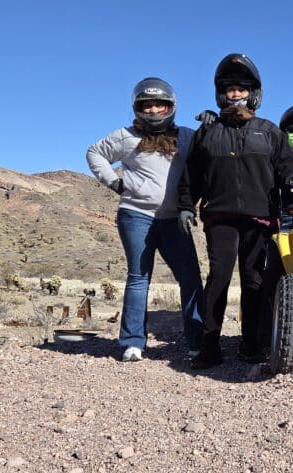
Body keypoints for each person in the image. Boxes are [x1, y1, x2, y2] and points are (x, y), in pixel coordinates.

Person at [176, 53, 293, 370]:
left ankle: (252, 344)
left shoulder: (269, 132)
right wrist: (187, 205)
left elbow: (288, 171)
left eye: (242, 88)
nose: (235, 94)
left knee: (254, 280)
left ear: (253, 93)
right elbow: (191, 175)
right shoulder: (207, 132)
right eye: (229, 88)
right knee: (218, 278)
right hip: (220, 216)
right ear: (221, 93)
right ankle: (209, 344)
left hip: (260, 217)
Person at [86, 77, 203, 362]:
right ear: (138, 107)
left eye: (159, 105)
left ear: (170, 107)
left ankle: (198, 341)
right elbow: (95, 153)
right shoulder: (127, 136)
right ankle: (132, 342)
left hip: (175, 218)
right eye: (147, 105)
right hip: (136, 215)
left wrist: (211, 126)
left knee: (190, 278)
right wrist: (115, 183)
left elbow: (207, 154)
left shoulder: (186, 136)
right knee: (139, 278)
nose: (153, 110)